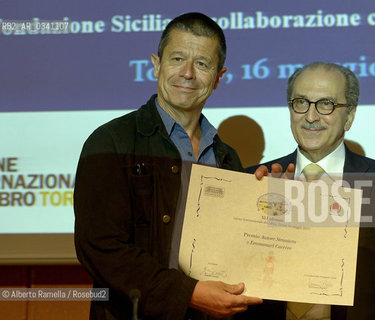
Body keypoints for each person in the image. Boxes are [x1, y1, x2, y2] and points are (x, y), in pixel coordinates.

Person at [74, 12, 288, 320]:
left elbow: (239, 251)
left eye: (202, 64)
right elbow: (101, 249)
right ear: (156, 64)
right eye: (177, 59)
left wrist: (274, 210)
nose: (187, 73)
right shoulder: (111, 142)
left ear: (218, 78)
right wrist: (188, 294)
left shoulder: (228, 158)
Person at [247, 62, 375, 319]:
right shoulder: (255, 180)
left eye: (326, 104)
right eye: (301, 102)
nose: (311, 117)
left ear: (350, 116)